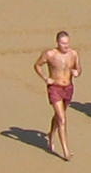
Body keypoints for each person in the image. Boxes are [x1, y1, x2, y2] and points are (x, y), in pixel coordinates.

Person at [35, 31, 82, 160]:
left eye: (67, 43)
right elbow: (37, 65)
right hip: (55, 88)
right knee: (62, 119)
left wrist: (77, 72)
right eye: (63, 43)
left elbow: (79, 68)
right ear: (57, 42)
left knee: (58, 116)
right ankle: (65, 151)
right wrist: (45, 78)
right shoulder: (50, 54)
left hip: (68, 88)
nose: (65, 46)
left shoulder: (73, 54)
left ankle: (51, 135)